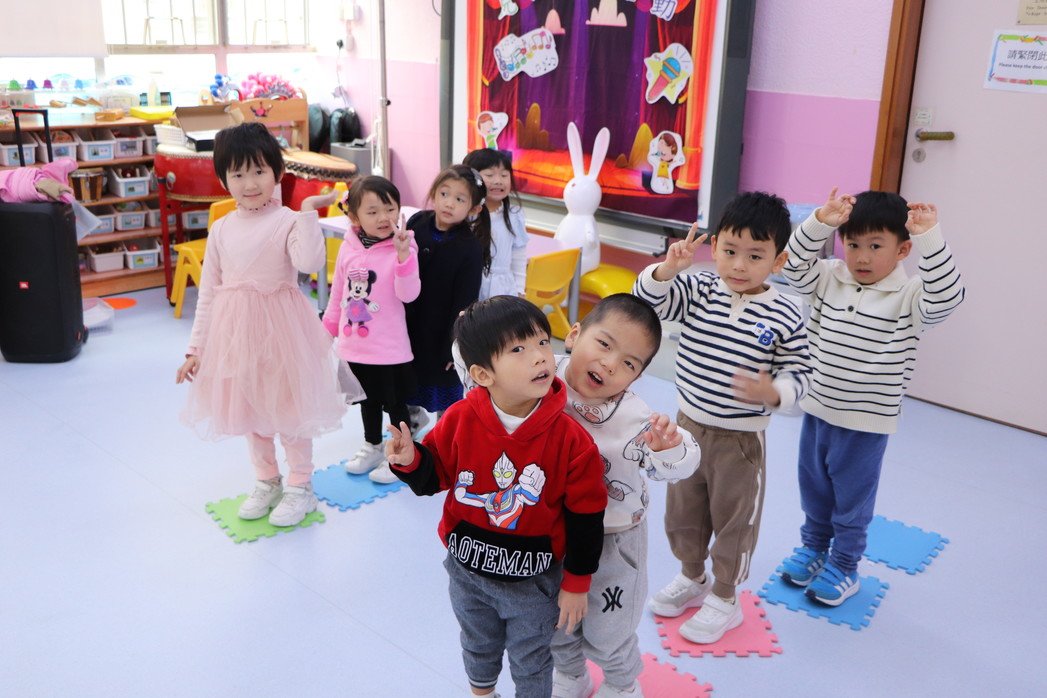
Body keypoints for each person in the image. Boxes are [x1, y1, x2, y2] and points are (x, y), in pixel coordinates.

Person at [386, 296, 607, 698]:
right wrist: (410, 460)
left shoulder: (572, 440)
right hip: (466, 572)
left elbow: (587, 515)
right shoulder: (460, 418)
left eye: (543, 342)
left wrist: (577, 581)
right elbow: (435, 475)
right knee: (477, 646)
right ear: (482, 374)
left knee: (532, 661)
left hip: (534, 581)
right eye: (518, 349)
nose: (540, 357)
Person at [632, 191, 811, 643]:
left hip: (740, 441)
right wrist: (667, 270)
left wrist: (774, 392)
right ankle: (692, 576)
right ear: (714, 248)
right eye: (730, 251)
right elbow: (647, 301)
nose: (739, 265)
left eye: (755, 256)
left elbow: (800, 374)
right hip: (686, 427)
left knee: (734, 520)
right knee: (682, 512)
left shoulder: (787, 311)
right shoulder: (698, 288)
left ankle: (726, 597)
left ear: (778, 260)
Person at [778, 189, 965, 605]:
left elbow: (947, 297)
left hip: (865, 424)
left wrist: (930, 237)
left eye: (876, 246)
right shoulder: (828, 278)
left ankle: (845, 565)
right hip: (817, 411)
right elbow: (791, 264)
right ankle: (813, 548)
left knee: (851, 502)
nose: (862, 257)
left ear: (902, 250)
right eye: (853, 244)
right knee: (814, 490)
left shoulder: (911, 297)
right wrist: (820, 223)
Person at [176, 122, 353, 527]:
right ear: (223, 179)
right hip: (236, 335)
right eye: (238, 174)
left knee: (289, 412)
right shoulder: (221, 229)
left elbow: (310, 263)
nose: (250, 183)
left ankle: (301, 486)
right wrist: (195, 349)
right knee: (250, 411)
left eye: (258, 171)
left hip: (282, 333)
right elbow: (209, 292)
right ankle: (267, 479)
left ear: (277, 172)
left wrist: (307, 214)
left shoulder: (287, 220)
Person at [550, 294, 701, 698]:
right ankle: (570, 675)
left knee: (608, 629)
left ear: (636, 378)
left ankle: (621, 684)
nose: (611, 364)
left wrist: (670, 447)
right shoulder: (542, 378)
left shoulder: (637, 418)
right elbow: (494, 377)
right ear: (574, 334)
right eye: (604, 344)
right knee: (554, 620)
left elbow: (682, 462)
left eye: (629, 364)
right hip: (551, 530)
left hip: (614, 538)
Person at [321, 176, 420, 484]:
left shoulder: (404, 246)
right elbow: (338, 293)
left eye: (390, 209)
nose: (384, 218)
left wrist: (403, 257)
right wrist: (327, 331)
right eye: (373, 211)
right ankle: (373, 446)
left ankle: (403, 454)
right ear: (355, 217)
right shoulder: (348, 247)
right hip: (354, 345)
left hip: (388, 348)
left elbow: (409, 294)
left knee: (395, 405)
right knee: (367, 400)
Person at [404, 165, 491, 431]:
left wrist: (453, 344)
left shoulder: (469, 247)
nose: (449, 203)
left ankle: (445, 437)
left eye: (459, 199)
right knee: (406, 381)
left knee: (443, 384)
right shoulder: (417, 222)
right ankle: (410, 424)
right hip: (408, 323)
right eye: (444, 194)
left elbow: (465, 301)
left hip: (443, 330)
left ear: (474, 209)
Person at [463, 148, 529, 300]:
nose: (498, 180)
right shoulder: (466, 215)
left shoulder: (514, 215)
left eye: (504, 175)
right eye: (490, 175)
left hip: (503, 288)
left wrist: (520, 290)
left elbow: (518, 256)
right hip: (472, 285)